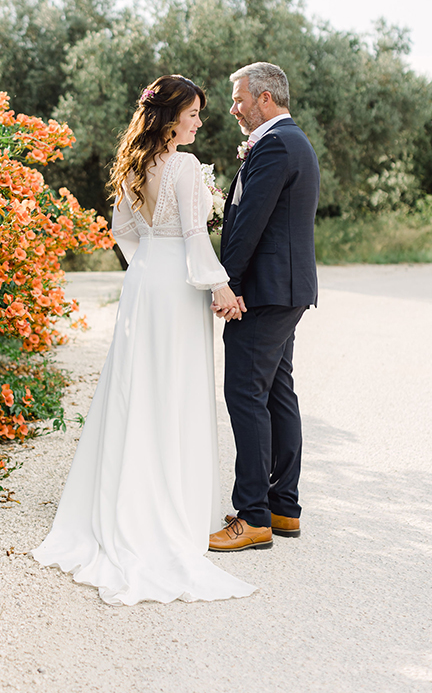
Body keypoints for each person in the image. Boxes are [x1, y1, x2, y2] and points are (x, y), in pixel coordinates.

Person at [33, 75, 255, 604]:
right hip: (177, 284)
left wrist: (149, 266)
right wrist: (219, 285)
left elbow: (124, 234)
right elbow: (196, 235)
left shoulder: (133, 164)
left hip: (145, 279)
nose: (199, 123)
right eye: (193, 114)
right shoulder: (182, 165)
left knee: (137, 385)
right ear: (171, 117)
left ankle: (124, 495)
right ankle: (172, 505)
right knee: (175, 386)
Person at [209, 62, 320, 553]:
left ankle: (253, 516)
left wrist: (227, 283)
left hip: (265, 290)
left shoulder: (275, 144)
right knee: (276, 393)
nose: (234, 108)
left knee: (245, 393)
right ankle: (283, 507)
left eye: (239, 99)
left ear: (265, 98)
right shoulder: (291, 141)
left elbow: (250, 221)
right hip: (284, 288)